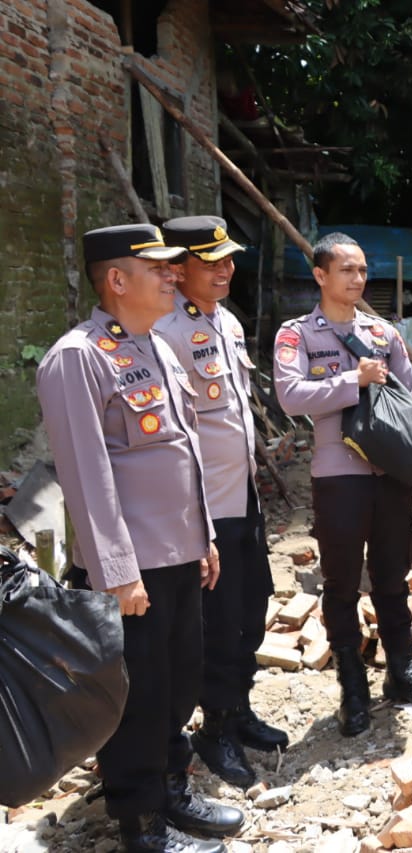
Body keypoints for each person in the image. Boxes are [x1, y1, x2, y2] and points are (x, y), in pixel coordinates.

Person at [37, 225, 243, 853]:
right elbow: (85, 473)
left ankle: (172, 790)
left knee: (178, 686)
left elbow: (185, 454)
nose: (173, 274)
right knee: (138, 698)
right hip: (132, 571)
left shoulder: (157, 346)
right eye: (157, 268)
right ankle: (141, 822)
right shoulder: (78, 357)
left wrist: (205, 535)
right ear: (118, 281)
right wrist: (116, 569)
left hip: (179, 555)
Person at [272, 232, 412, 737]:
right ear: (321, 275)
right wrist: (353, 382)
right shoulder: (298, 335)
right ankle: (352, 687)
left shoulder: (383, 334)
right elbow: (290, 395)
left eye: (363, 270)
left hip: (390, 475)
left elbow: (411, 399)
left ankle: (403, 673)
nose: (357, 278)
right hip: (338, 478)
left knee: (393, 576)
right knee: (342, 583)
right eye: (346, 270)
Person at [154, 216, 287, 788]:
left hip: (244, 498)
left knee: (253, 605)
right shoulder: (164, 330)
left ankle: (238, 707)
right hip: (205, 508)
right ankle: (214, 728)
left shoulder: (227, 322)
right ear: (177, 270)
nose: (226, 269)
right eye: (212, 262)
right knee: (217, 620)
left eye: (229, 258)